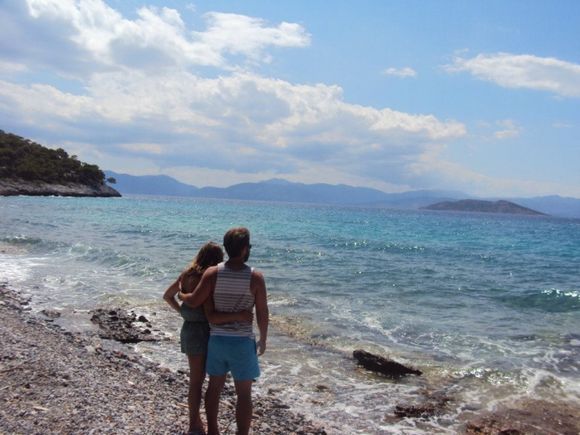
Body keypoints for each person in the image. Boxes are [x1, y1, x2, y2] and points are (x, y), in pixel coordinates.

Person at [179, 227, 269, 435]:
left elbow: (194, 301)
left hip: (218, 341)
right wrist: (263, 339)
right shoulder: (256, 277)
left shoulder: (212, 273)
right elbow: (263, 312)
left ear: (227, 248)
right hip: (242, 342)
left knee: (214, 388)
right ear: (245, 249)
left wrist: (182, 294)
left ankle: (213, 431)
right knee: (244, 394)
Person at [163, 242, 252, 435]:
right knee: (212, 381)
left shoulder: (186, 275)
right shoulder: (208, 278)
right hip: (207, 331)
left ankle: (194, 423)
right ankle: (201, 425)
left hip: (188, 330)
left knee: (195, 381)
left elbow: (167, 296)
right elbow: (207, 308)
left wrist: (183, 313)